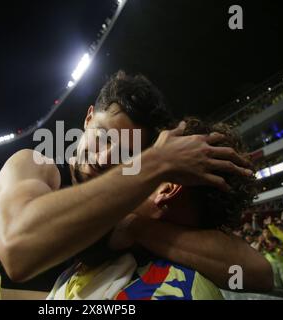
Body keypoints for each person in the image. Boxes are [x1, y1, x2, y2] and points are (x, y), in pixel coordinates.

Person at [0, 71, 273, 299]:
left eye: (124, 153)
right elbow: (18, 252)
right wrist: (158, 162)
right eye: (102, 135)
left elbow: (259, 272)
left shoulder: (127, 209)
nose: (103, 158)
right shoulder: (34, 166)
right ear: (88, 118)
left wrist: (135, 227)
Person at [47, 118, 261, 299]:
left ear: (167, 189)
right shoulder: (120, 256)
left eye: (134, 161)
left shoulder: (161, 288)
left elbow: (260, 273)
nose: (111, 165)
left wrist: (133, 226)